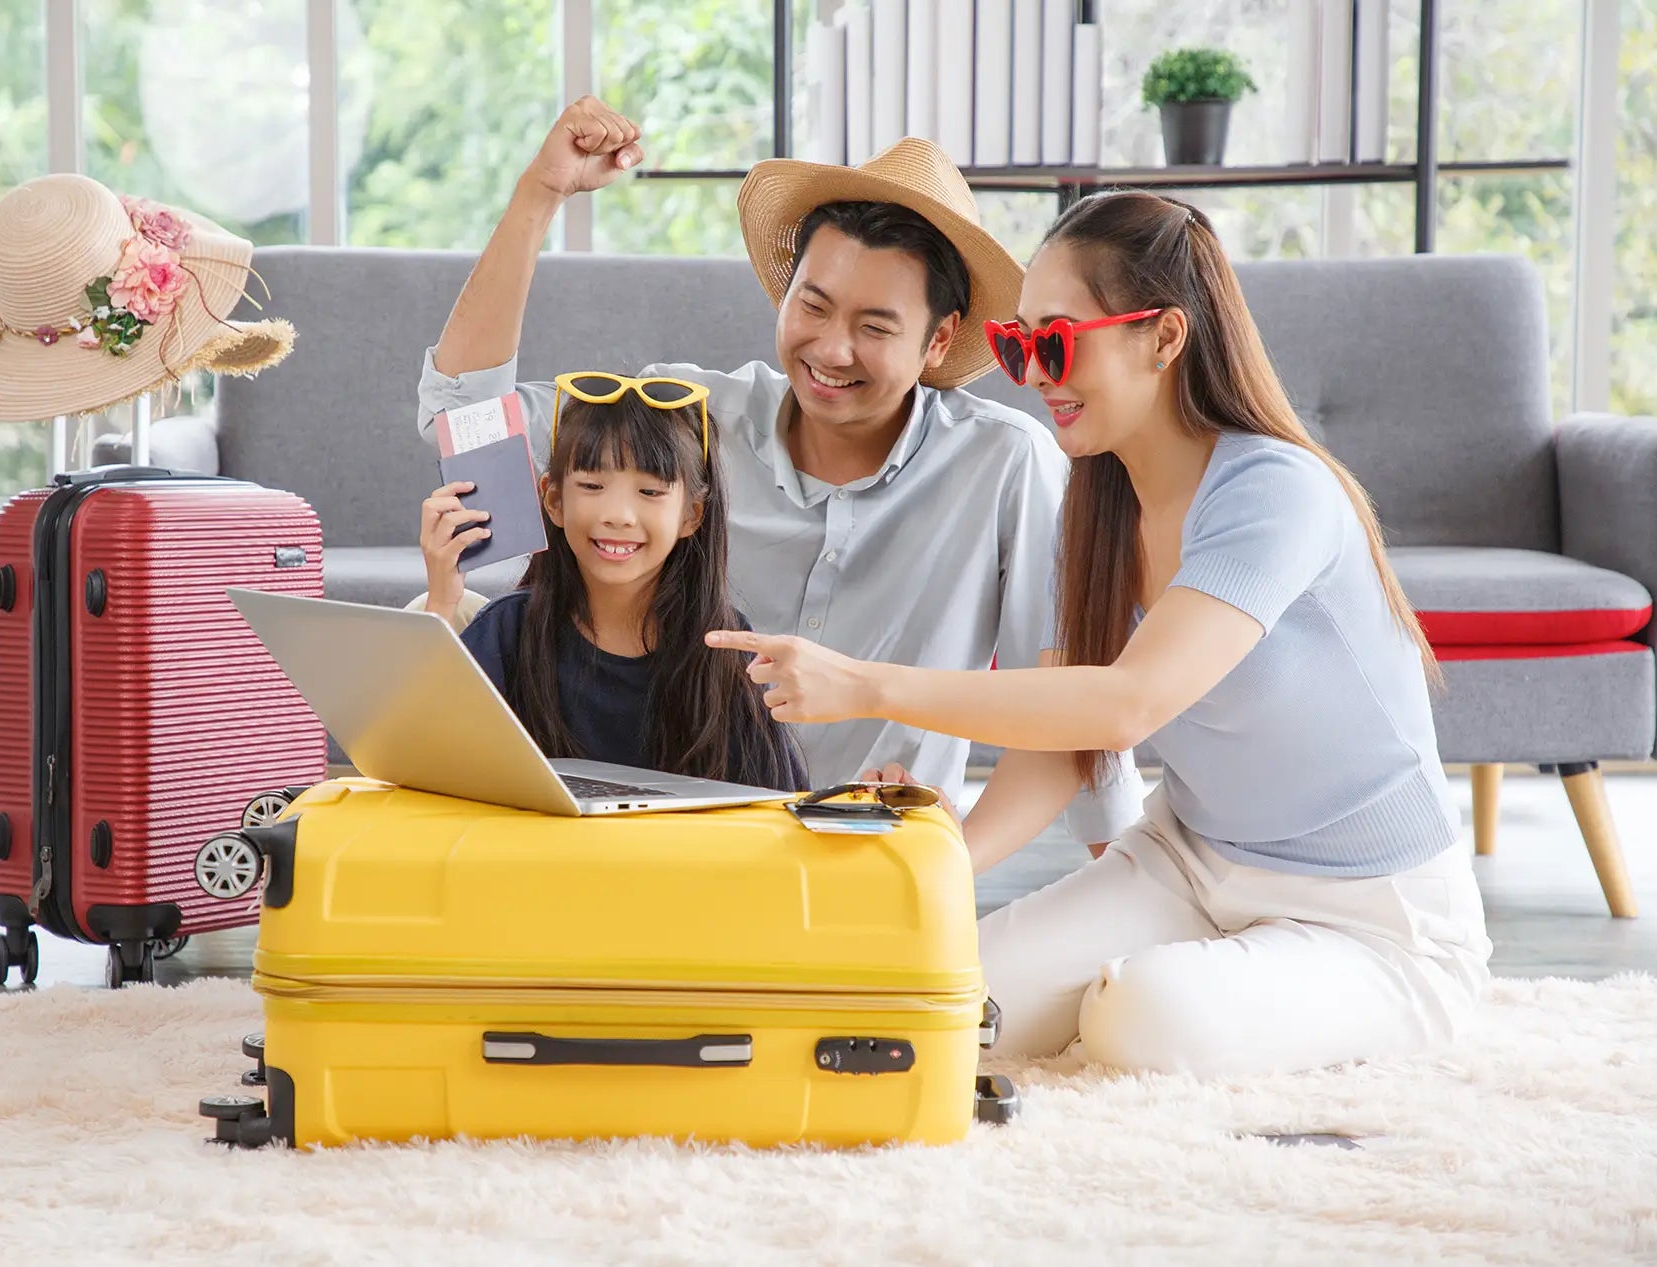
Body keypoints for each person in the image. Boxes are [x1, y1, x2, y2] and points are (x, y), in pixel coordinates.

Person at [705, 191, 1493, 1079]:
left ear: (1162, 337)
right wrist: (945, 855)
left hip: (1374, 916)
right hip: (1187, 864)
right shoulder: (1098, 500)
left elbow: (1125, 705)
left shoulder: (1277, 491)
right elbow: (1066, 744)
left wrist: (870, 684)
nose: (1036, 375)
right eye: (1018, 346)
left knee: (1141, 1018)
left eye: (1057, 342)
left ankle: (1206, 996)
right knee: (938, 1002)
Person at [414, 95, 1143, 846]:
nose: (831, 350)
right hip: (679, 848)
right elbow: (465, 420)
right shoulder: (684, 417)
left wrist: (1011, 880)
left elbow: (1064, 705)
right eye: (814, 306)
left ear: (939, 339)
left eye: (874, 326)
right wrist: (541, 194)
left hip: (873, 854)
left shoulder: (1003, 463)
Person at [422, 372, 809, 791]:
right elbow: (421, 762)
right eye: (591, 485)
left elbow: (774, 809)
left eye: (650, 492)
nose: (618, 515)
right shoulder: (508, 632)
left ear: (691, 515)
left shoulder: (726, 649)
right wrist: (443, 600)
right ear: (553, 501)